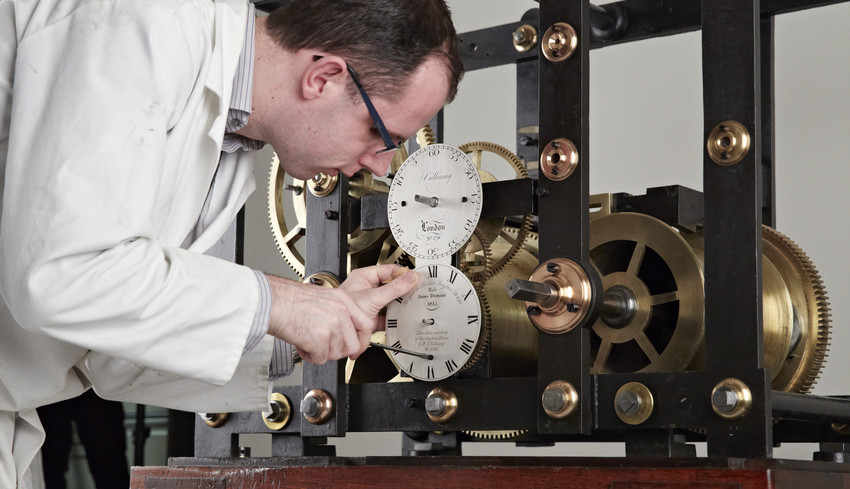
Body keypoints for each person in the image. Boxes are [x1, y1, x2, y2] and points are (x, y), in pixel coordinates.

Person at [0, 0, 464, 486]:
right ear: (323, 77)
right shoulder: (145, 22)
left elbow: (111, 347)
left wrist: (302, 331)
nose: (380, 165)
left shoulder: (232, 139)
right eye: (380, 133)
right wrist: (278, 302)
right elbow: (62, 277)